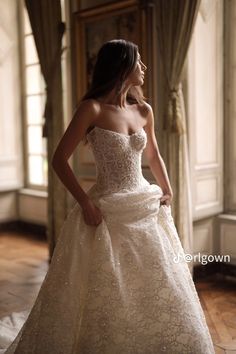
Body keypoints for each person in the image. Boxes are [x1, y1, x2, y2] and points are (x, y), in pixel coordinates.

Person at [0, 39, 215, 354]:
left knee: (158, 280)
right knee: (109, 285)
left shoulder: (144, 109)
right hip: (107, 208)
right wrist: (85, 202)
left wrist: (168, 188)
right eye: (138, 61)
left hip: (144, 203)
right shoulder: (93, 108)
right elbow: (59, 159)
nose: (144, 67)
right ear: (122, 65)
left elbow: (153, 153)